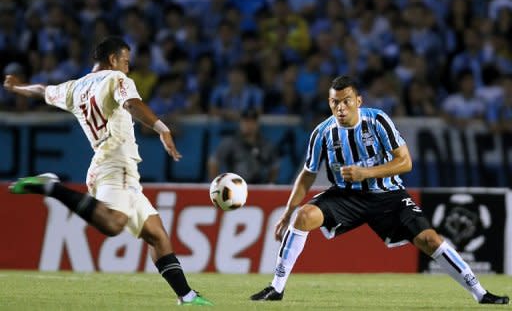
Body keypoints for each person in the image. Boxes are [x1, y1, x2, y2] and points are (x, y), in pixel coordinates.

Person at [249, 75, 509, 305]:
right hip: (346, 196)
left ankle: (480, 293)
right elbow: (307, 174)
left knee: (430, 240)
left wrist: (366, 173)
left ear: (358, 101)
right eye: (334, 102)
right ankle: (276, 287)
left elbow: (405, 162)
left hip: (389, 196)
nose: (340, 108)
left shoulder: (377, 121)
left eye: (346, 101)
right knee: (303, 217)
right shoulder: (323, 133)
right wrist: (287, 213)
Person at [3, 36, 213, 307]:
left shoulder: (74, 87)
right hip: (117, 161)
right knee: (114, 224)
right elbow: (132, 104)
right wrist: (163, 129)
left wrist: (18, 87)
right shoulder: (117, 79)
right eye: (126, 61)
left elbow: (43, 91)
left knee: (156, 234)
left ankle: (187, 295)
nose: (128, 67)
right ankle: (51, 187)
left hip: (107, 164)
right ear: (113, 59)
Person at [208, 108, 279, 184]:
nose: (249, 125)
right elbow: (213, 162)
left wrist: (270, 184)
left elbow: (274, 165)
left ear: (257, 124)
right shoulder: (231, 143)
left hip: (258, 187)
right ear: (240, 123)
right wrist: (217, 184)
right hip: (235, 187)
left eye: (252, 122)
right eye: (246, 121)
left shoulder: (266, 145)